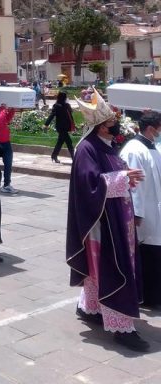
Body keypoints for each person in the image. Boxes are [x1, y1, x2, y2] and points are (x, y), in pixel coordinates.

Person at [67, 87, 149, 352]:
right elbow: (87, 184)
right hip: (101, 225)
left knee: (99, 272)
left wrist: (126, 176)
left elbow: (114, 172)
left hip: (118, 218)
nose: (116, 125)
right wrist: (122, 179)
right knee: (113, 269)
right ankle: (122, 328)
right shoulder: (86, 149)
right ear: (101, 127)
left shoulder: (107, 145)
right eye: (112, 122)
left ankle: (91, 308)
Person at [120, 111, 161, 308]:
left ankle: (155, 293)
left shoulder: (152, 147)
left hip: (156, 208)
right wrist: (137, 213)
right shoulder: (134, 150)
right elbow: (133, 184)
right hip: (144, 214)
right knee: (148, 254)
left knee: (156, 254)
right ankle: (149, 297)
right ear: (151, 128)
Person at [44, 92, 75, 163]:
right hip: (61, 127)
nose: (67, 98)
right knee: (69, 142)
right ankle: (74, 158)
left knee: (60, 142)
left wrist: (73, 125)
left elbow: (70, 116)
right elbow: (52, 115)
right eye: (65, 97)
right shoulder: (57, 106)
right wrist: (46, 124)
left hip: (66, 127)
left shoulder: (66, 105)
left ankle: (54, 155)